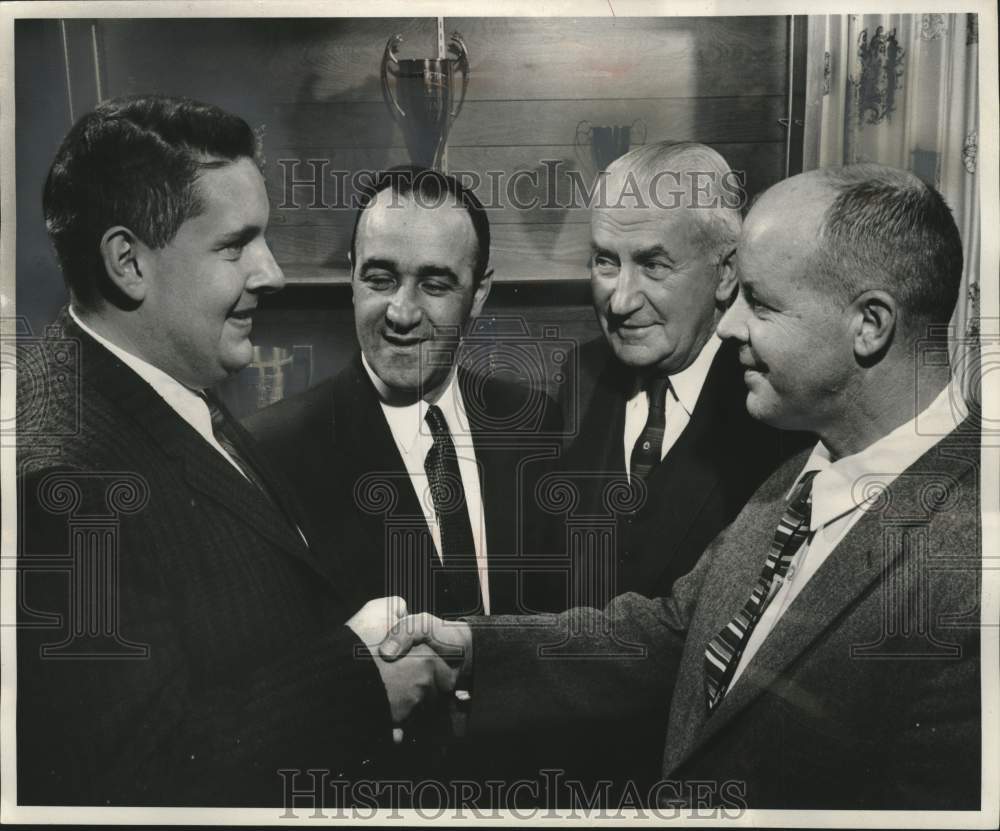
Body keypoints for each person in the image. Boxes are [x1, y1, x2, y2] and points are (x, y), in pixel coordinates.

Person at [380, 164, 982, 810]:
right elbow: (672, 630)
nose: (729, 326)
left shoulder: (973, 571)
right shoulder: (802, 471)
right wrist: (470, 646)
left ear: (870, 324)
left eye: (761, 302)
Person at [16, 95, 448, 807]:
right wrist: (360, 673)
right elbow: (133, 778)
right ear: (128, 263)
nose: (271, 273)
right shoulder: (64, 481)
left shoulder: (162, 377)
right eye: (234, 245)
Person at [247, 166, 562, 620]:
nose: (401, 312)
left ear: (478, 294)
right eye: (380, 279)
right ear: (351, 276)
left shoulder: (532, 422)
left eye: (434, 285)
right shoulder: (272, 452)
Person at [537, 142, 808, 614]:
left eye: (653, 265)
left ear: (726, 273)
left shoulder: (776, 408)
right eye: (606, 262)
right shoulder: (578, 375)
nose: (620, 302)